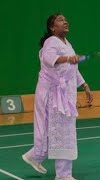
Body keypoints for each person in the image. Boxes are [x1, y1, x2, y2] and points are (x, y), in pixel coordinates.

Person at [22, 13, 93, 180]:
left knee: (58, 131)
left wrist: (85, 85)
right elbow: (48, 59)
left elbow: (72, 70)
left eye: (65, 19)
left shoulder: (67, 44)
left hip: (66, 95)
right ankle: (63, 175)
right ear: (52, 27)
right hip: (52, 95)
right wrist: (68, 58)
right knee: (61, 132)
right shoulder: (51, 42)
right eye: (60, 20)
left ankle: (35, 156)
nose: (65, 21)